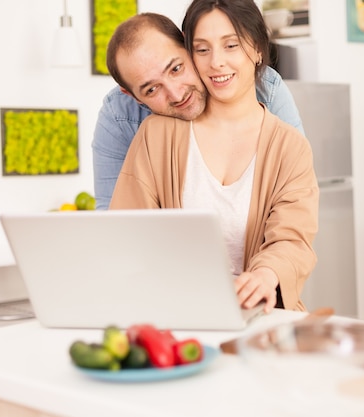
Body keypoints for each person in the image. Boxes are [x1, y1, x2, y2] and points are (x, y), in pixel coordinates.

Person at [108, 0, 319, 313]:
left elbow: (292, 239)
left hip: (259, 319)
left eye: (231, 44)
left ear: (259, 48)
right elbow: (125, 237)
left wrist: (265, 273)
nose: (216, 62)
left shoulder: (290, 147)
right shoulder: (156, 135)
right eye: (202, 49)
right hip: (175, 319)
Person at [92, 13, 304, 210]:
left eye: (176, 68)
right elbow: (116, 222)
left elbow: (297, 197)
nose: (176, 94)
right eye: (152, 89)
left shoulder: (264, 87)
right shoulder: (119, 116)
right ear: (131, 95)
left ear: (189, 46)